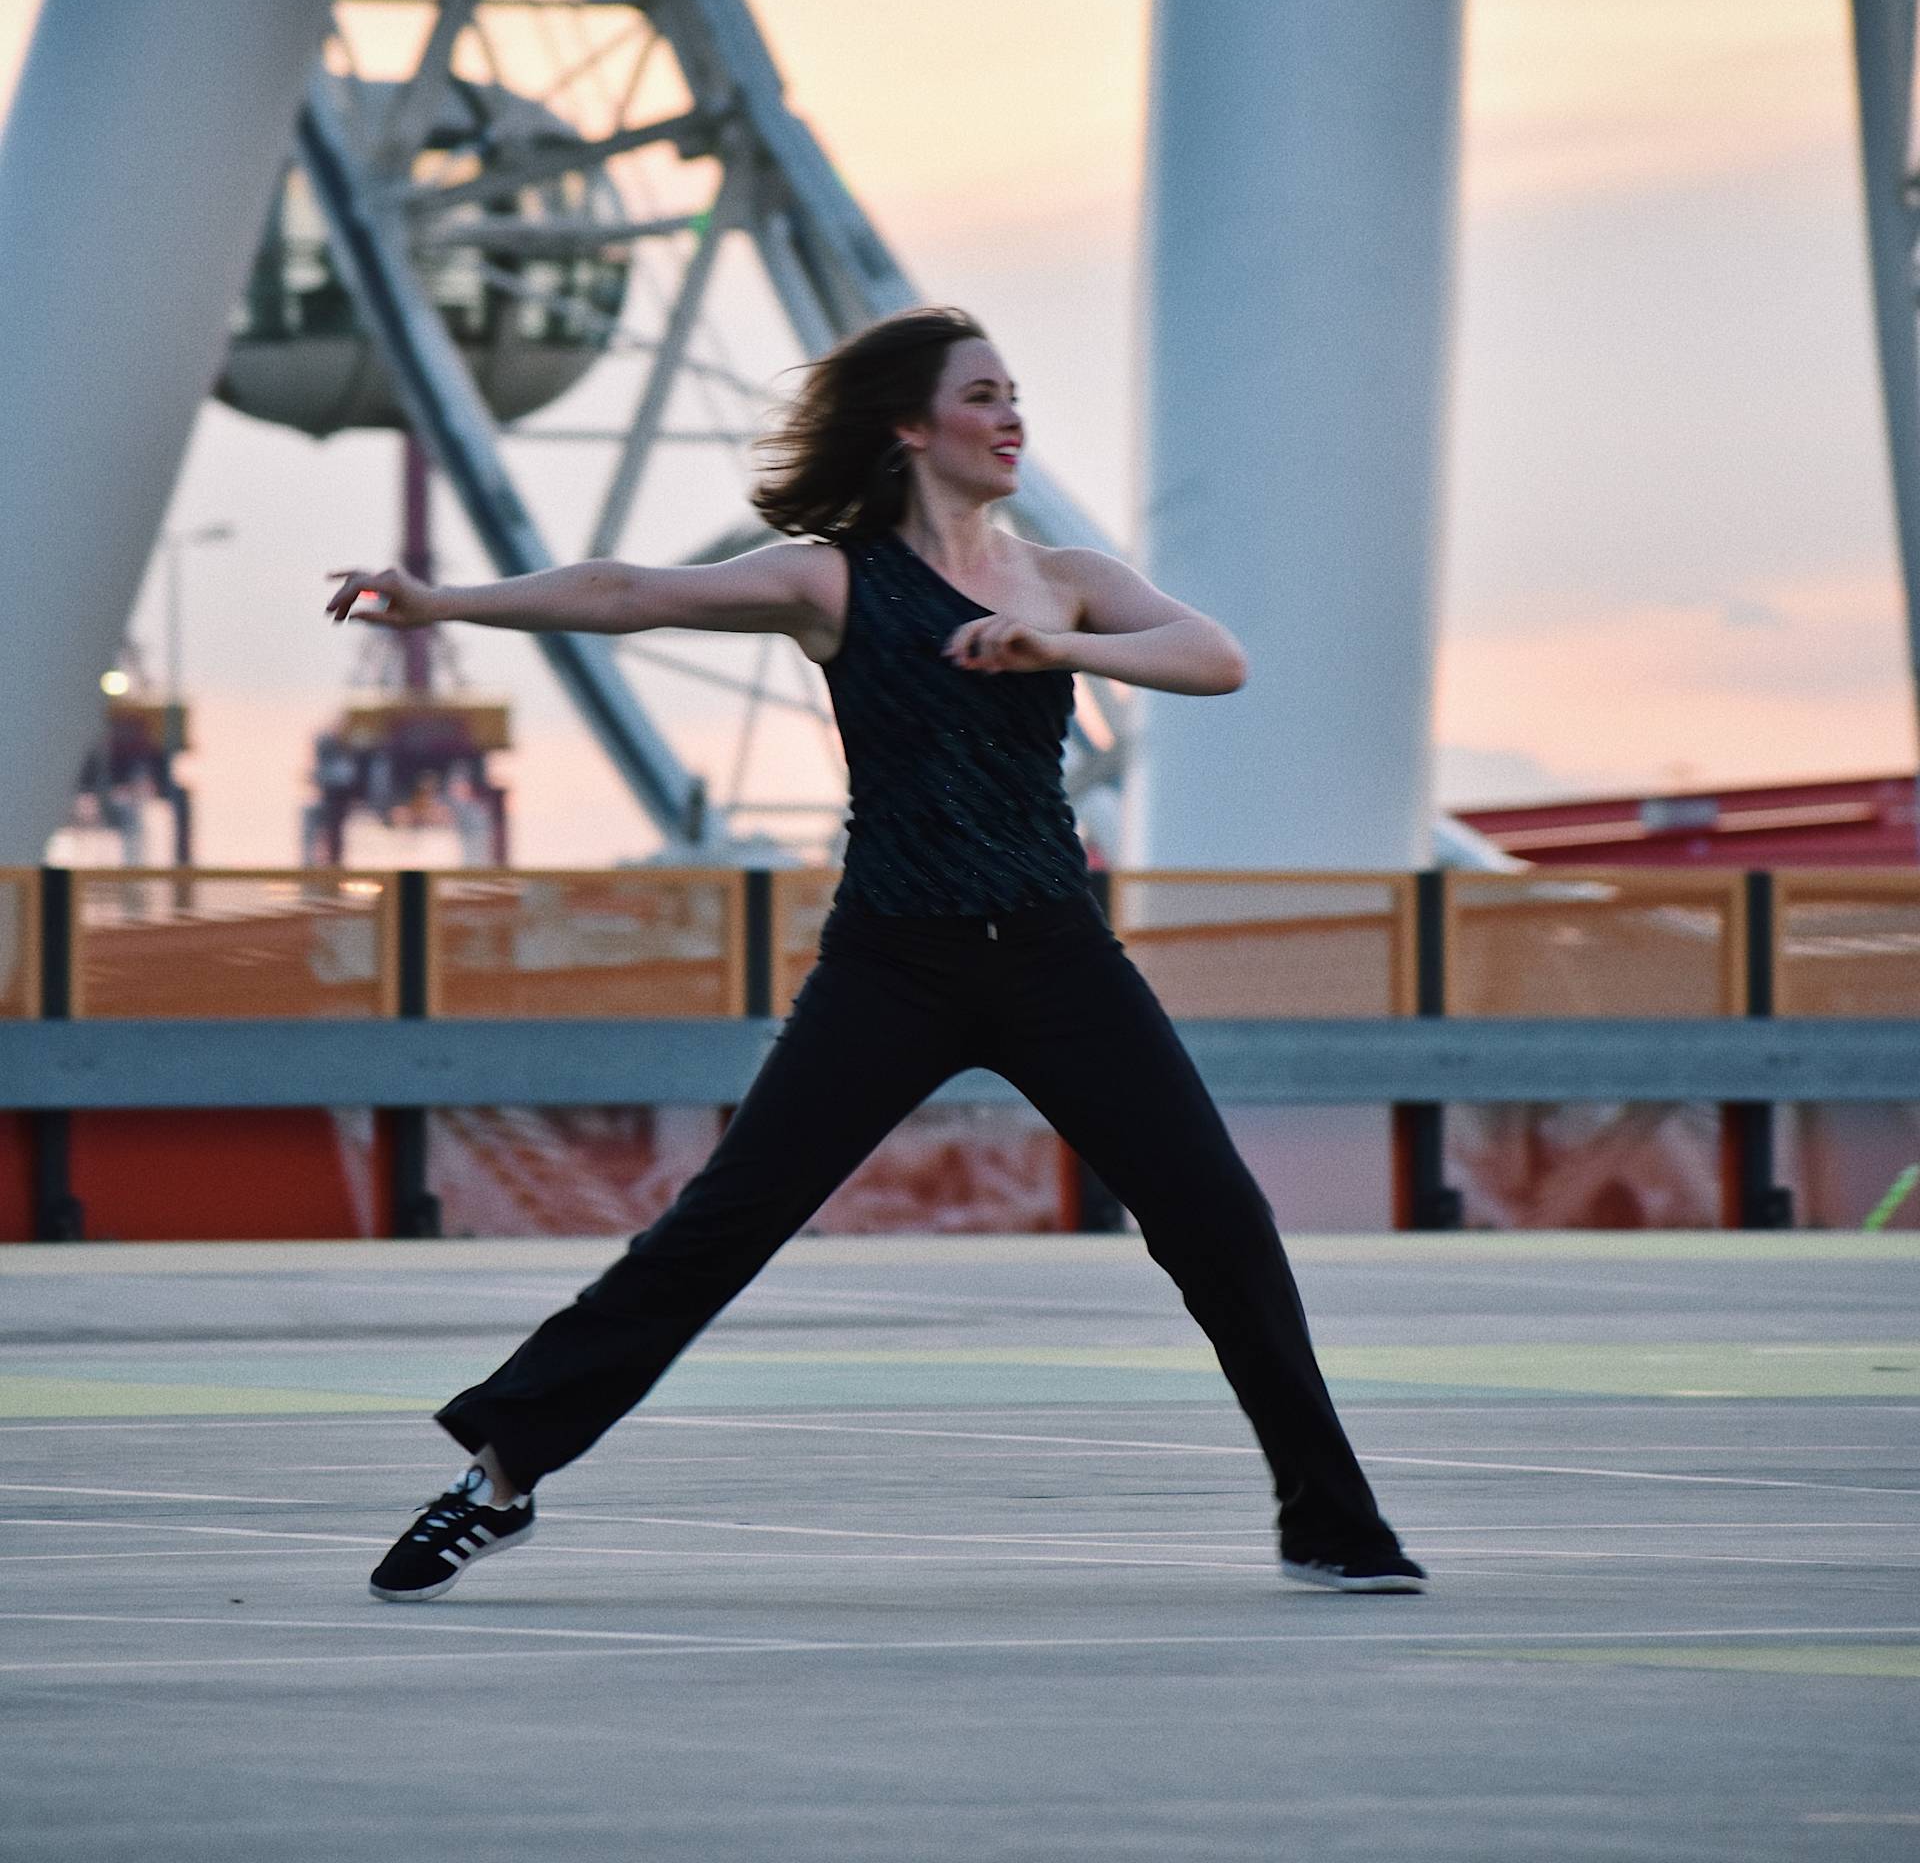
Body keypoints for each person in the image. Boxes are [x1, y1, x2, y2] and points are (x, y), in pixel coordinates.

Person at [330, 305, 1425, 1601]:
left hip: (1059, 961)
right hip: (893, 965)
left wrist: (1056, 647)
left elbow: (1214, 657)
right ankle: (498, 1478)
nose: (1012, 416)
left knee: (1220, 1221)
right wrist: (444, 603)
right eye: (982, 396)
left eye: (1017, 393)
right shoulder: (832, 578)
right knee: (720, 1228)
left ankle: (1330, 1523)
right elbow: (632, 591)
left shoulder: (1060, 576)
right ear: (912, 428)